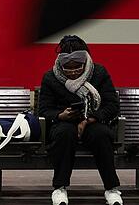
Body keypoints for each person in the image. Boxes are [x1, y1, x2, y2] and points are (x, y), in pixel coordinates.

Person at [38, 35, 122, 205]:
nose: (74, 71)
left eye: (78, 67)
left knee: (102, 135)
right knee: (64, 133)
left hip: (93, 120)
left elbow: (112, 106)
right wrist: (60, 115)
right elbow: (45, 110)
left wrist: (89, 119)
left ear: (86, 62)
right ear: (60, 64)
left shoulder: (99, 73)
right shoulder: (50, 78)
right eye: (68, 68)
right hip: (63, 122)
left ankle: (112, 188)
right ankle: (59, 187)